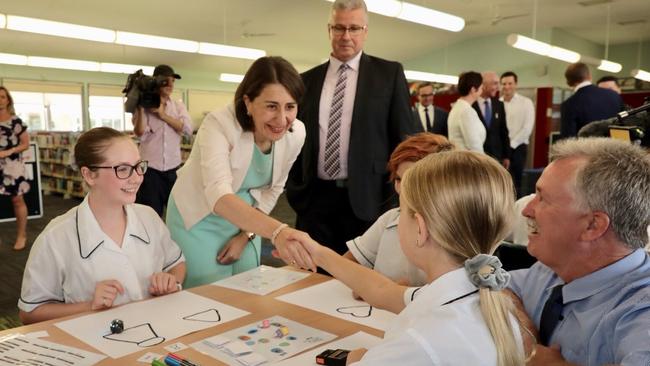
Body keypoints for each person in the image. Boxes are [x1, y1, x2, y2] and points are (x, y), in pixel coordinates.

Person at [291, 151, 525, 365]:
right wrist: (317, 252)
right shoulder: (479, 297)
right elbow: (381, 289)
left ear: (420, 230)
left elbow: (412, 348)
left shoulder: (417, 342)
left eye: (402, 211)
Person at [167, 56, 314, 288]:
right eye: (271, 106)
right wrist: (278, 232)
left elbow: (273, 189)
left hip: (247, 219)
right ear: (247, 102)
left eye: (290, 106)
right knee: (206, 294)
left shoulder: (296, 133)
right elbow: (219, 195)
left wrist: (246, 235)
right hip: (200, 218)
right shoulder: (219, 125)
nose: (282, 119)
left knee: (249, 286)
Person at [18, 127, 186, 325]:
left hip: (156, 332)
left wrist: (170, 281)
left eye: (139, 166)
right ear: (89, 175)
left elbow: (176, 263)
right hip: (94, 345)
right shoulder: (56, 237)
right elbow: (30, 313)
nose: (137, 177)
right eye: (123, 169)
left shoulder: (149, 217)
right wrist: (89, 306)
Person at [286, 0, 415, 255]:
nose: (346, 36)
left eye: (354, 28)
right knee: (313, 276)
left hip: (369, 199)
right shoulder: (306, 81)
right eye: (339, 28)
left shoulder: (388, 74)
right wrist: (297, 191)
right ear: (329, 30)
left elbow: (404, 141)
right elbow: (294, 140)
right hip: (315, 200)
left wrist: (397, 197)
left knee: (361, 281)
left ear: (365, 31)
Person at [508, 137, 650, 365]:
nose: (526, 209)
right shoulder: (550, 270)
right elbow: (498, 286)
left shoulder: (640, 313)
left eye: (542, 198)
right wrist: (527, 338)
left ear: (593, 225)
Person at [344, 132, 453, 287]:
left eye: (412, 180)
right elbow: (348, 263)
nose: (402, 189)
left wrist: (387, 291)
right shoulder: (391, 218)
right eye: (398, 179)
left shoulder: (455, 230)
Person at [132, 64, 192, 217]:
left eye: (173, 81)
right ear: (157, 82)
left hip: (173, 169)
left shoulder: (178, 106)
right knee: (150, 214)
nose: (171, 85)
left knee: (176, 213)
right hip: (151, 171)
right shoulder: (145, 106)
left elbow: (187, 129)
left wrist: (162, 114)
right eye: (166, 81)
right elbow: (139, 133)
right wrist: (139, 108)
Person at [0, 86, 30, 251]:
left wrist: (8, 151)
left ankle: (21, 235)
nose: (0, 100)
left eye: (3, 97)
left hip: (12, 167)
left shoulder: (16, 121)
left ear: (8, 100)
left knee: (17, 200)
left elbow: (25, 144)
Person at [559, 62, 622, 139]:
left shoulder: (569, 104)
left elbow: (568, 139)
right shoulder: (613, 95)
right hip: (614, 147)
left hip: (588, 149)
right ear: (589, 76)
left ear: (568, 82)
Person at [500, 71, 535, 198]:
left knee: (517, 182)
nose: (507, 86)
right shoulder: (498, 103)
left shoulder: (526, 103)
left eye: (510, 83)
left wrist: (511, 144)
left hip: (518, 147)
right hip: (502, 149)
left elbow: (527, 128)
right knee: (501, 181)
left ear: (516, 84)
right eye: (504, 84)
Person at [472, 71, 510, 168]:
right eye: (495, 83)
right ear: (483, 85)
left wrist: (506, 156)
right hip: (477, 157)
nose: (498, 87)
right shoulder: (470, 105)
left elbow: (503, 131)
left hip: (497, 157)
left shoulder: (499, 105)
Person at [448, 71, 486, 152]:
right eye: (481, 87)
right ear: (473, 89)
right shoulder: (466, 111)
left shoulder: (459, 107)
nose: (482, 90)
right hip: (467, 161)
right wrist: (484, 163)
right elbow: (474, 145)